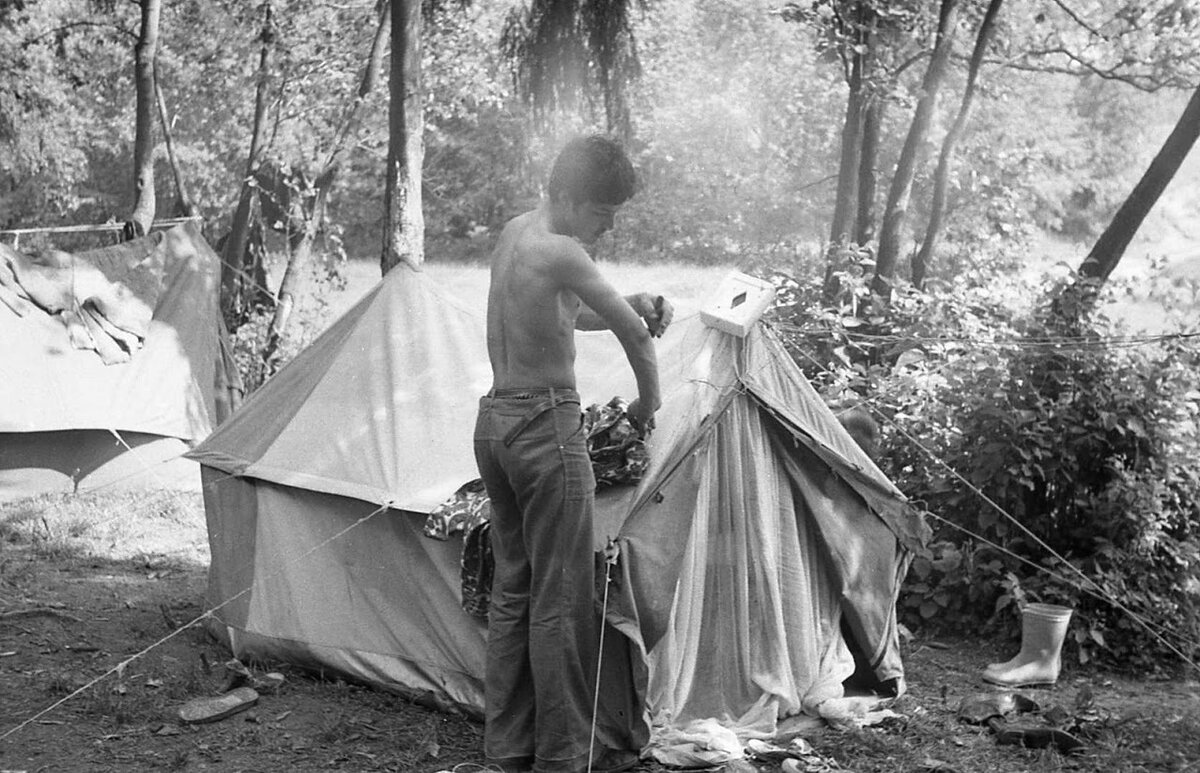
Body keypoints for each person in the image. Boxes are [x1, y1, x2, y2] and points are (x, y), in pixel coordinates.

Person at [472, 135, 673, 773]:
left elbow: (563, 312)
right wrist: (648, 406)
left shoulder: (517, 235)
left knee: (515, 592)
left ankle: (507, 753)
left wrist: (628, 300)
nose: (607, 226)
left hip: (495, 425)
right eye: (598, 211)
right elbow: (637, 337)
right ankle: (562, 761)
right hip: (544, 427)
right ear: (563, 195)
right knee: (565, 602)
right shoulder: (563, 249)